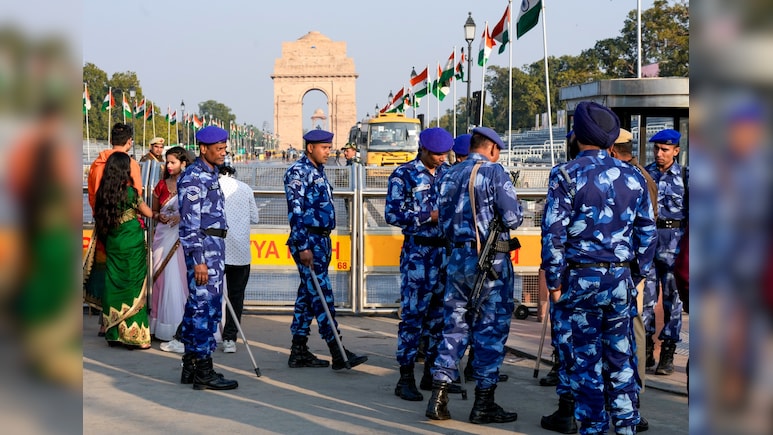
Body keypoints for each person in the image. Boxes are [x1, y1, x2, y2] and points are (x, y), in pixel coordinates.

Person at [540, 101, 656, 435]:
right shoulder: (634, 176)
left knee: (585, 363)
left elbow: (554, 233)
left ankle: (592, 428)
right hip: (619, 279)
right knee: (621, 359)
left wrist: (556, 282)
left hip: (579, 280)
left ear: (577, 135)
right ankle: (625, 428)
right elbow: (647, 235)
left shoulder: (565, 174)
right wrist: (635, 275)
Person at [425, 126, 523, 424]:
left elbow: (441, 224)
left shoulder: (449, 174)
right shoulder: (495, 173)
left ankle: (439, 396)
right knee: (489, 330)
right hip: (489, 261)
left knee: (455, 325)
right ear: (492, 147)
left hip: (457, 259)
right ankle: (484, 403)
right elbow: (513, 218)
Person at [283, 129, 368, 371]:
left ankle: (298, 349)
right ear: (310, 147)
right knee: (322, 297)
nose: (329, 152)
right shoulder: (298, 172)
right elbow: (295, 212)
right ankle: (338, 351)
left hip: (320, 240)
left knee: (308, 297)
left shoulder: (317, 171)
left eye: (330, 148)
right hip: (308, 241)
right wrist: (303, 246)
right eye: (324, 148)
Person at [385, 127, 453, 401]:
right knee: (413, 318)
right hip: (418, 254)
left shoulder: (449, 173)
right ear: (422, 150)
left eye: (444, 153)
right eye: (435, 154)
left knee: (440, 318)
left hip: (445, 255)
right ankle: (405, 377)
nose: (440, 158)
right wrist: (429, 216)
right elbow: (392, 213)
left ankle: (432, 375)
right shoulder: (403, 174)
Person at [177, 125, 238, 390]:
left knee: (198, 308)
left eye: (225, 148)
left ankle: (191, 366)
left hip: (215, 247)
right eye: (219, 149)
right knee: (205, 309)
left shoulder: (210, 174)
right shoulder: (194, 178)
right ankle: (204, 370)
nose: (223, 153)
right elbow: (190, 224)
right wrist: (199, 259)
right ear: (204, 149)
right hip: (204, 250)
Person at [608, 127, 660, 432]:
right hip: (628, 266)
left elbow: (646, 227)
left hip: (628, 268)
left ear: (613, 150)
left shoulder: (633, 177)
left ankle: (632, 401)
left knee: (633, 329)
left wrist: (637, 271)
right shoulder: (638, 174)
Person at [86, 122, 144, 336]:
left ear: (111, 140)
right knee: (127, 275)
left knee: (105, 272)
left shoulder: (96, 163)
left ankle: (105, 321)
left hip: (103, 223)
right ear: (129, 142)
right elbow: (136, 196)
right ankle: (125, 321)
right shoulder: (130, 164)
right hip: (125, 227)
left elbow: (93, 195)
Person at [93, 152, 154, 350]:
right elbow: (148, 213)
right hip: (132, 244)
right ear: (125, 171)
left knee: (113, 282)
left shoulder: (103, 193)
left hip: (113, 241)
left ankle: (113, 333)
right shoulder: (130, 193)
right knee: (134, 285)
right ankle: (133, 336)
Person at [642, 128, 688, 376]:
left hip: (675, 244)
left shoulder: (686, 176)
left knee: (673, 300)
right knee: (646, 300)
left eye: (665, 149)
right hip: (649, 243)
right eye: (656, 149)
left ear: (676, 151)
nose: (659, 154)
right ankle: (647, 348)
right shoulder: (645, 175)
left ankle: (668, 351)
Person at [150, 146, 192, 352]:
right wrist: (161, 216)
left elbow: (194, 211)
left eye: (173, 162)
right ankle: (161, 326)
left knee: (181, 277)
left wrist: (181, 217)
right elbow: (155, 211)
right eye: (167, 162)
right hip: (163, 235)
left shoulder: (190, 184)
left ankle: (181, 326)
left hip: (181, 237)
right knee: (162, 277)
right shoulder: (160, 186)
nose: (169, 165)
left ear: (183, 163)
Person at [219, 161, 260, 354]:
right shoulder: (245, 189)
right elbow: (255, 217)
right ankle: (229, 339)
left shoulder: (213, 187)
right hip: (240, 251)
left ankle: (206, 335)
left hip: (217, 250)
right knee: (236, 296)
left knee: (208, 294)